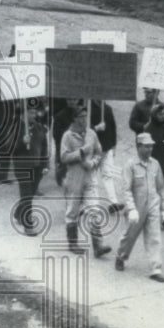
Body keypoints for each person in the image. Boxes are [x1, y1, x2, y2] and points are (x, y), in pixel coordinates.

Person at [115, 133, 164, 282]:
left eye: (151, 146)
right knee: (130, 235)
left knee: (154, 237)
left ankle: (155, 269)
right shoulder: (130, 165)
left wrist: (163, 208)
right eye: (146, 146)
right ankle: (121, 256)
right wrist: (131, 209)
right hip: (137, 207)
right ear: (138, 147)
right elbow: (126, 189)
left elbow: (161, 187)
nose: (150, 149)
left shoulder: (155, 164)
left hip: (153, 205)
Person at [60, 104, 111, 257]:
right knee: (72, 211)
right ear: (74, 119)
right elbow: (63, 157)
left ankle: (98, 245)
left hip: (89, 176)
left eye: (85, 117)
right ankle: (73, 242)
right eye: (81, 117)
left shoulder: (91, 134)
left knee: (94, 208)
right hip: (74, 177)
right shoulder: (67, 136)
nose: (84, 120)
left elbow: (99, 152)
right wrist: (80, 153)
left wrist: (94, 163)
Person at [12, 102, 50, 236]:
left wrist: (45, 165)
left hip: (37, 166)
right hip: (22, 166)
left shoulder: (39, 128)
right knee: (27, 195)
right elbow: (9, 148)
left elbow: (45, 147)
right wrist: (22, 142)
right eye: (31, 112)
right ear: (24, 113)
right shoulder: (16, 127)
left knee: (31, 193)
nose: (34, 115)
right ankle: (28, 225)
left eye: (35, 112)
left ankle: (18, 213)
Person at [144, 104, 164, 230]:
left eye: (163, 114)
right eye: (159, 114)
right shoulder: (148, 130)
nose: (162, 116)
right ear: (154, 115)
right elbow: (145, 149)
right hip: (155, 166)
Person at [89, 100, 122, 213]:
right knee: (92, 178)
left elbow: (113, 128)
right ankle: (94, 205)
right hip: (93, 150)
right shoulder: (87, 109)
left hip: (107, 148)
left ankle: (113, 203)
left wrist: (113, 146)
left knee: (108, 175)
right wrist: (96, 128)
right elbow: (83, 130)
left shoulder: (107, 109)